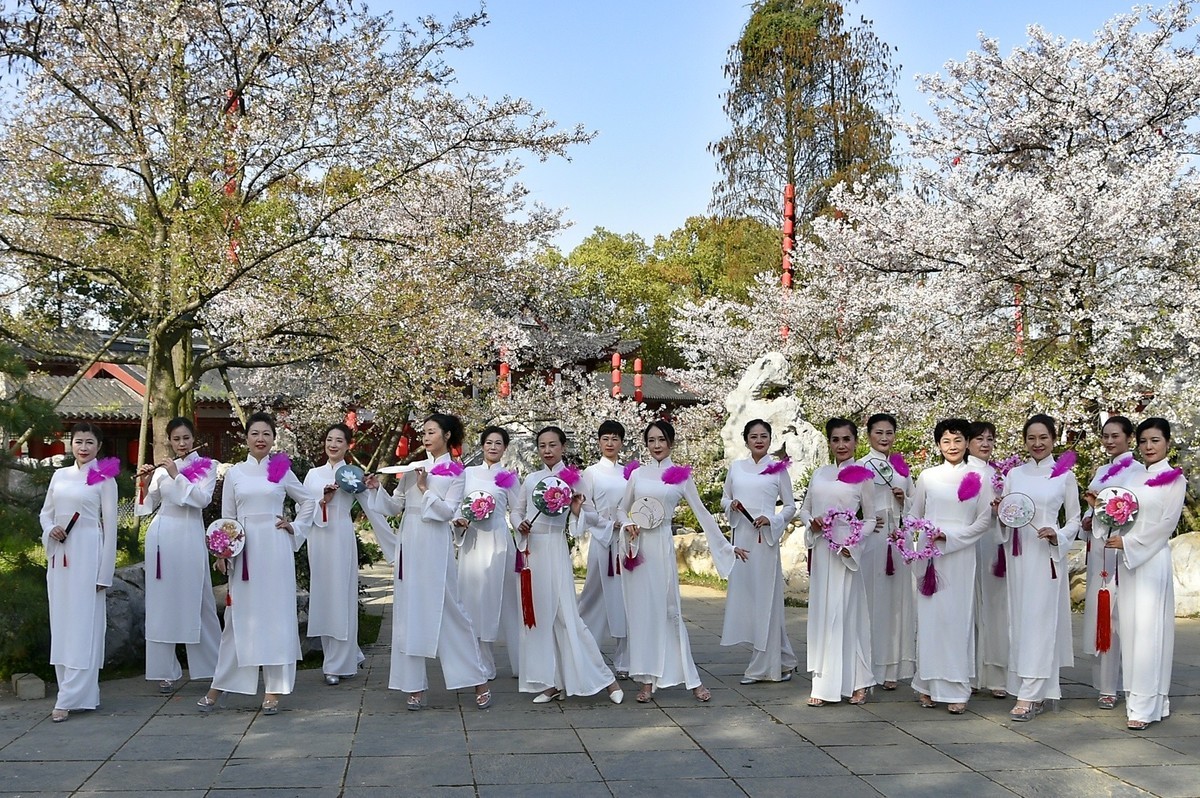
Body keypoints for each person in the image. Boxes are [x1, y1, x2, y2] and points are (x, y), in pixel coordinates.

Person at [367, 413, 492, 710]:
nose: (425, 437)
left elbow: (449, 512)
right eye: (423, 432)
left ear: (447, 436)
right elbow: (396, 505)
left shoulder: (455, 472)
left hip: (435, 541)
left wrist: (425, 491)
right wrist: (376, 489)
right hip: (409, 541)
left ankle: (478, 679)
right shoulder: (412, 467)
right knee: (409, 610)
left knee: (448, 608)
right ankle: (414, 686)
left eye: (432, 432)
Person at [619, 420, 747, 704]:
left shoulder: (680, 476)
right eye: (651, 440)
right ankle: (647, 681)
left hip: (662, 544)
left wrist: (727, 545)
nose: (656, 445)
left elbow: (701, 513)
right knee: (643, 614)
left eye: (661, 440)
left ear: (671, 443)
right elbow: (620, 508)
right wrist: (627, 524)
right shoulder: (637, 474)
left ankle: (692, 680)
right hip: (639, 547)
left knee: (668, 612)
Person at [199, 412, 312, 715]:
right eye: (254, 433)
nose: (260, 438)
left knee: (276, 616)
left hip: (275, 549)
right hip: (244, 551)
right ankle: (220, 685)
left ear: (273, 439)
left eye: (266, 434)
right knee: (237, 621)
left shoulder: (279, 467)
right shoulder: (235, 472)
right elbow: (227, 518)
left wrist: (295, 527)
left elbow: (308, 501)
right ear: (246, 438)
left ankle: (274, 689)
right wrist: (223, 553)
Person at [511, 426, 624, 704]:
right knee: (539, 618)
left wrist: (576, 509)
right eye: (542, 445)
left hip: (554, 548)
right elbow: (516, 510)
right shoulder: (531, 479)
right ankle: (552, 682)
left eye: (552, 445)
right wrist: (519, 525)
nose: (547, 450)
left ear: (562, 446)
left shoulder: (573, 478)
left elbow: (587, 516)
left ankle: (607, 679)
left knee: (566, 617)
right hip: (530, 552)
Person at [1106, 417, 1185, 730]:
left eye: (1155, 441)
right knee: (1132, 627)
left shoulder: (1174, 479)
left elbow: (1166, 524)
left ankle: (1146, 706)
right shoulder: (1134, 477)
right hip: (1128, 560)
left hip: (1151, 558)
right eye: (1143, 442)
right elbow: (1119, 512)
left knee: (1150, 631)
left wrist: (1130, 542)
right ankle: (1143, 698)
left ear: (1167, 442)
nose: (1148, 447)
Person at [908, 419, 991, 714]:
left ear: (967, 442)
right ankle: (927, 683)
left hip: (959, 553)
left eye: (958, 440)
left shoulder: (978, 476)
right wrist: (910, 548)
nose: (952, 447)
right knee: (930, 619)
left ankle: (957, 687)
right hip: (929, 556)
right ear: (938, 445)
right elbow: (912, 515)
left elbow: (983, 520)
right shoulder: (927, 477)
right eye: (945, 441)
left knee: (956, 619)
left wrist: (952, 536)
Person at [299, 423, 391, 685]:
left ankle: (336, 665)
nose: (333, 444)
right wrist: (323, 502)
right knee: (324, 597)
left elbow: (372, 509)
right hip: (318, 537)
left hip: (340, 536)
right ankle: (346, 655)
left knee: (341, 596)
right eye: (329, 439)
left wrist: (374, 489)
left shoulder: (352, 474)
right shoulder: (313, 475)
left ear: (348, 446)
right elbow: (303, 509)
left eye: (339, 440)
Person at [1001, 414, 1080, 722]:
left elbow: (1074, 518)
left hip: (1046, 558)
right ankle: (1036, 688)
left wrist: (1056, 534)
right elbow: (1007, 515)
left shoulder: (1064, 476)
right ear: (1025, 441)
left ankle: (1028, 695)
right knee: (1020, 620)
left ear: (1053, 439)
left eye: (1043, 437)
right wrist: (1000, 512)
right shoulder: (1014, 475)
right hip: (1018, 555)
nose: (1037, 443)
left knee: (1039, 621)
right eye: (1031, 438)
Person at [135, 417, 220, 694]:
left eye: (186, 438)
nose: (181, 443)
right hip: (162, 535)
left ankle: (214, 666)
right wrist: (146, 483)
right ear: (169, 441)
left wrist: (177, 475)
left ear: (194, 438)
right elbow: (147, 506)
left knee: (199, 598)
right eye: (176, 439)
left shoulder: (207, 466)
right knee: (162, 603)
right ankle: (165, 671)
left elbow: (201, 500)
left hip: (189, 532)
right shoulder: (162, 470)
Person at [40, 422, 119, 722]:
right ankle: (75, 692)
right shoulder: (59, 476)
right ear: (70, 444)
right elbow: (46, 513)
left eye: (89, 442)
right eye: (78, 441)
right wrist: (51, 529)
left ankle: (68, 697)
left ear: (99, 446)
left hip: (88, 552)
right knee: (62, 623)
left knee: (84, 624)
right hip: (60, 554)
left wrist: (104, 573)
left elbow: (110, 528)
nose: (83, 447)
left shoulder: (104, 478)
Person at [799, 418, 878, 706]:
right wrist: (813, 523)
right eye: (835, 439)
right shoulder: (820, 473)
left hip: (846, 553)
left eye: (846, 439)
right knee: (823, 614)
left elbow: (870, 519)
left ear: (855, 442)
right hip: (822, 548)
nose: (841, 445)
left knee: (846, 613)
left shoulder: (863, 476)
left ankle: (859, 681)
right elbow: (804, 510)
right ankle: (823, 684)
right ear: (829, 443)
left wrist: (853, 543)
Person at [720, 419, 798, 684]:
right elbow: (724, 498)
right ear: (746, 440)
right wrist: (732, 504)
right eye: (753, 436)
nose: (759, 440)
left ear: (770, 439)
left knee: (766, 600)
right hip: (743, 539)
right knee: (750, 599)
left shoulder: (777, 469)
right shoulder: (736, 468)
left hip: (765, 540)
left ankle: (763, 668)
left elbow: (790, 506)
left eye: (764, 436)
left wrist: (771, 519)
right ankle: (785, 659)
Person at [1080, 415, 1141, 710]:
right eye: (1105, 436)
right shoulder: (1102, 470)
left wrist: (1100, 509)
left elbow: (1135, 513)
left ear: (1129, 437)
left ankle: (1128, 683)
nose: (1109, 441)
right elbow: (1090, 507)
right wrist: (1089, 517)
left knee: (1121, 617)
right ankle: (1106, 685)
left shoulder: (1139, 471)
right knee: (1102, 616)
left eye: (1115, 435)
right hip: (1099, 550)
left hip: (1122, 549)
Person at [453, 425, 522, 680]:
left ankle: (520, 662)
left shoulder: (507, 477)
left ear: (505, 448)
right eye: (489, 442)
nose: (493, 447)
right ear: (482, 445)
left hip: (499, 541)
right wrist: (459, 520)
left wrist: (522, 526)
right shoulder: (468, 473)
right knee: (473, 600)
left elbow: (517, 510)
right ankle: (482, 663)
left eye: (499, 443)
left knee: (507, 601)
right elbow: (457, 505)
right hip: (472, 541)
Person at [858, 412, 916, 690]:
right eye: (878, 432)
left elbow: (916, 505)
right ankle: (868, 664)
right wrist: (863, 521)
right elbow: (846, 504)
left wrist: (904, 501)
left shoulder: (901, 466)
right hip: (873, 538)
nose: (884, 438)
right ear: (868, 434)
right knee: (872, 599)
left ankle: (893, 666)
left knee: (896, 602)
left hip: (898, 536)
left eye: (889, 432)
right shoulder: (859, 465)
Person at [576, 420, 631, 678]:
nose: (610, 443)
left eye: (615, 439)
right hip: (603, 540)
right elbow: (586, 509)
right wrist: (609, 524)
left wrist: (629, 521)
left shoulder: (630, 472)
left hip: (629, 540)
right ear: (599, 442)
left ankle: (625, 659)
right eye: (605, 438)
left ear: (622, 442)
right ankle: (584, 650)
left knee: (627, 597)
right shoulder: (591, 472)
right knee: (594, 595)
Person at [966, 421, 1008, 699]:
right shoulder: (961, 473)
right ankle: (968, 672)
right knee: (967, 608)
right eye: (979, 438)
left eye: (990, 439)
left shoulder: (1000, 475)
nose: (985, 444)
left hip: (993, 543)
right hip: (966, 543)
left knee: (995, 608)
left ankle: (996, 674)